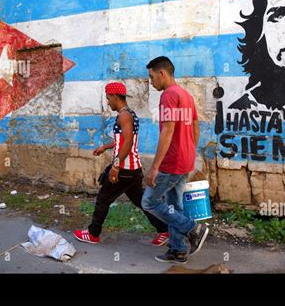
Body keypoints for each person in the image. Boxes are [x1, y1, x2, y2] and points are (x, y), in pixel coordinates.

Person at [74, 82, 169, 246]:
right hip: (134, 169)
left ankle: (93, 233)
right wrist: (106, 146)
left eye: (108, 98)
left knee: (103, 199)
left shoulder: (124, 116)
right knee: (140, 201)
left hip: (124, 169)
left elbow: (128, 142)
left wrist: (116, 166)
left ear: (115, 97)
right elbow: (124, 140)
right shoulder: (129, 114)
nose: (108, 102)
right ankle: (164, 230)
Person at [141, 56, 208, 264]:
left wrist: (154, 167)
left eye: (152, 77)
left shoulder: (169, 95)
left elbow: (168, 131)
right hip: (185, 159)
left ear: (162, 73)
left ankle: (193, 228)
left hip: (172, 162)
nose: (151, 83)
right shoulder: (185, 95)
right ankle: (178, 250)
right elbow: (196, 125)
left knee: (149, 202)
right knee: (174, 206)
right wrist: (190, 149)